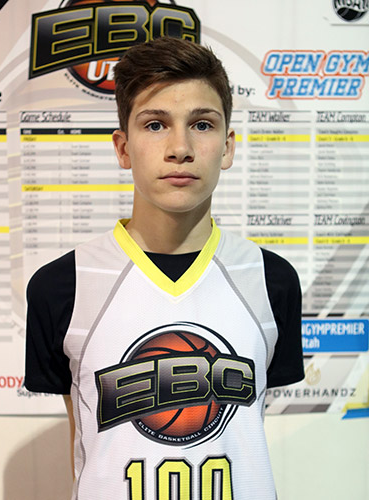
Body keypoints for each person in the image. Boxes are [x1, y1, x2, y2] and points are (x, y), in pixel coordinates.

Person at [25, 36, 304, 500]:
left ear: (228, 147)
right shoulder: (61, 286)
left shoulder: (271, 280)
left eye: (202, 124)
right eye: (155, 125)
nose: (180, 147)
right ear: (123, 148)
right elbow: (86, 446)